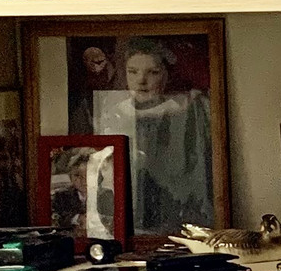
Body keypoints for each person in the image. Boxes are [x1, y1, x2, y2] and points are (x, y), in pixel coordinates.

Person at [92, 39, 215, 237]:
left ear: (166, 74)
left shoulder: (191, 110)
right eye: (133, 72)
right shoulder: (112, 115)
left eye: (153, 72)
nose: (141, 80)